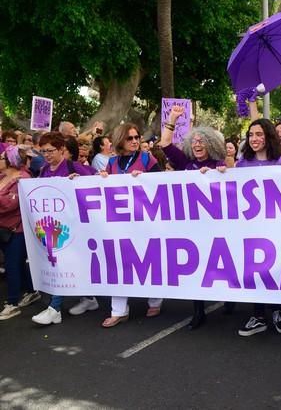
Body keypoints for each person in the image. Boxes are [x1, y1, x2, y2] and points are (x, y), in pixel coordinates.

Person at [160, 105, 228, 330]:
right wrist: (172, 118)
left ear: (212, 145)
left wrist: (219, 174)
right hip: (190, 226)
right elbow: (165, 144)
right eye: (194, 141)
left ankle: (229, 297)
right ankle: (198, 311)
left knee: (221, 264)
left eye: (202, 141)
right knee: (196, 267)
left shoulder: (218, 165)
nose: (198, 144)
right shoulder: (184, 163)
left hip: (215, 225)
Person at [99, 123, 162, 328]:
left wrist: (145, 180)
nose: (135, 141)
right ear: (120, 141)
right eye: (130, 138)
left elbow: (163, 183)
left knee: (149, 259)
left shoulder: (146, 159)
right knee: (118, 263)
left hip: (146, 220)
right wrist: (100, 180)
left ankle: (155, 300)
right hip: (120, 222)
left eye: (137, 137)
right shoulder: (113, 163)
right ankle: (118, 311)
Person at [31, 132, 95, 325]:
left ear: (61, 150)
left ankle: (54, 309)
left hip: (73, 228)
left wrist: (80, 183)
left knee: (63, 264)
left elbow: (97, 185)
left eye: (50, 151)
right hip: (51, 227)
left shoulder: (74, 167)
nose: (47, 155)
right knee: (60, 264)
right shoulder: (43, 170)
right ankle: (90, 299)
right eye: (43, 151)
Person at [236, 118, 281, 336]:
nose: (254, 139)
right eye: (251, 135)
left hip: (273, 229)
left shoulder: (280, 163)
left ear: (268, 137)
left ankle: (277, 309)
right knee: (253, 271)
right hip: (249, 229)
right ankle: (258, 315)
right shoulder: (241, 165)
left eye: (259, 134)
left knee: (272, 269)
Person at [0, 146, 40, 321]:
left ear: (10, 160)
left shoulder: (22, 178)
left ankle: (12, 303)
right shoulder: (4, 177)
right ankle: (32, 291)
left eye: (2, 156)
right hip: (4, 229)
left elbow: (9, 205)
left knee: (12, 265)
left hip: (16, 230)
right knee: (16, 263)